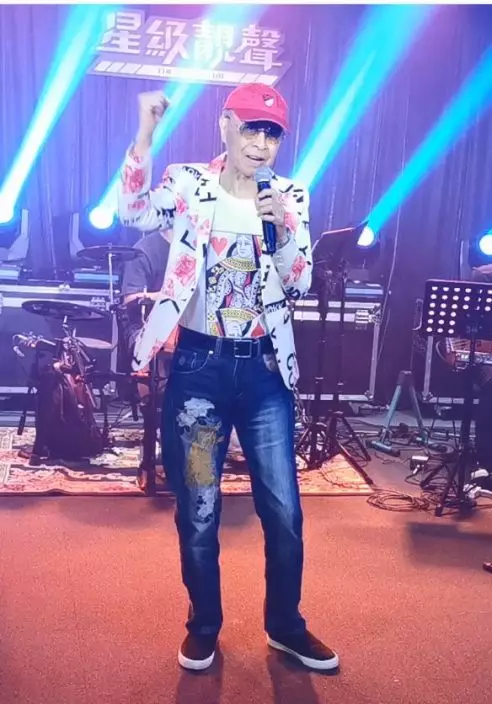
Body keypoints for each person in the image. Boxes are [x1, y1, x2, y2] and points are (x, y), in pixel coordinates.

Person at [117, 82, 338, 672]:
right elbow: (132, 212)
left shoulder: (289, 195)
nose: (261, 144)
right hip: (198, 369)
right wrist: (145, 135)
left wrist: (282, 229)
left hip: (264, 371)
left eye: (272, 134)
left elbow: (299, 281)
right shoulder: (189, 182)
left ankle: (286, 626)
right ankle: (204, 626)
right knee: (198, 510)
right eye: (250, 129)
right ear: (225, 126)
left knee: (284, 512)